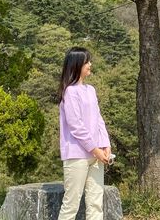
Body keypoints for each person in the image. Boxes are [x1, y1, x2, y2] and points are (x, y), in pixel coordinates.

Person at [57, 47, 111, 220]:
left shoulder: (91, 90)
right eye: (87, 61)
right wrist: (95, 150)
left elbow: (98, 119)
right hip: (77, 155)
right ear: (77, 65)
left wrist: (105, 145)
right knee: (71, 205)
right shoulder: (70, 92)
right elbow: (76, 126)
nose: (90, 64)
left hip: (97, 154)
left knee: (96, 203)